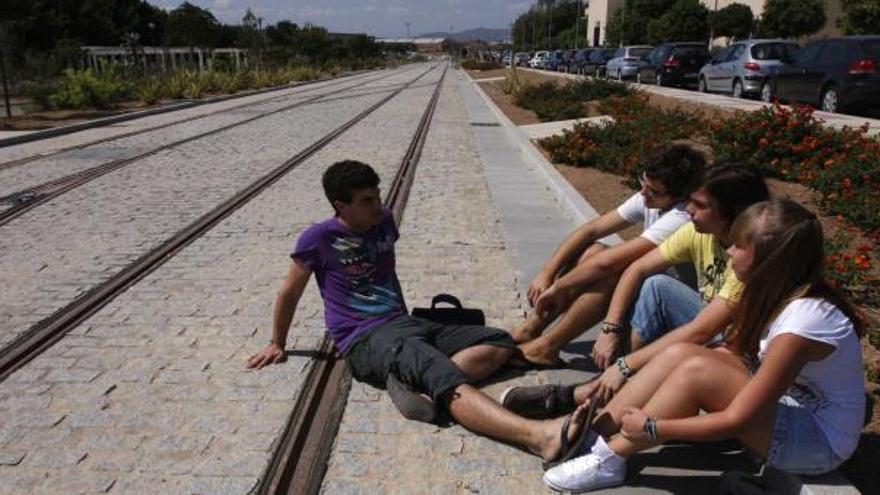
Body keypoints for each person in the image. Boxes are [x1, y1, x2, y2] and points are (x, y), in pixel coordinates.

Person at [247, 160, 592, 462]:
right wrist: (277, 342)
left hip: (404, 322)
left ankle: (415, 383)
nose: (377, 205)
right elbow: (290, 290)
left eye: (377, 196)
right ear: (341, 206)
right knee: (439, 371)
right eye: (367, 201)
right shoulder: (317, 238)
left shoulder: (383, 222)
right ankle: (539, 437)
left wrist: (403, 314)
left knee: (501, 342)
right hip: (365, 337)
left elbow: (386, 269)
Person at [541, 199, 866, 492]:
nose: (729, 252)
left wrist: (652, 428)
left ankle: (609, 459)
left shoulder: (805, 321)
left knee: (696, 370)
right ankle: (594, 435)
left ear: (771, 261)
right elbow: (722, 347)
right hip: (788, 409)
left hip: (818, 443)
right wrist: (649, 371)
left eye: (739, 246)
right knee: (684, 354)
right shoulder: (771, 289)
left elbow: (737, 419)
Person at [503, 162, 769, 416]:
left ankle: (600, 397)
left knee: (625, 281)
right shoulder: (698, 231)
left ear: (732, 213)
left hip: (740, 353)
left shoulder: (750, 254)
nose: (689, 209)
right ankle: (608, 390)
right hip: (709, 326)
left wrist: (624, 365)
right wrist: (610, 328)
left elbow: (702, 331)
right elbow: (635, 267)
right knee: (653, 284)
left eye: (700, 205)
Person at [513, 142, 707, 366]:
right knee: (593, 250)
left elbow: (609, 263)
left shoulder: (681, 217)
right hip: (643, 286)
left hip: (665, 305)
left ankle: (548, 347)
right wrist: (547, 273)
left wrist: (559, 286)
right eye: (643, 181)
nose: (643, 193)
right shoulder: (649, 196)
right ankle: (531, 329)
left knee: (613, 269)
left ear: (679, 196)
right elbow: (591, 230)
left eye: (654, 191)